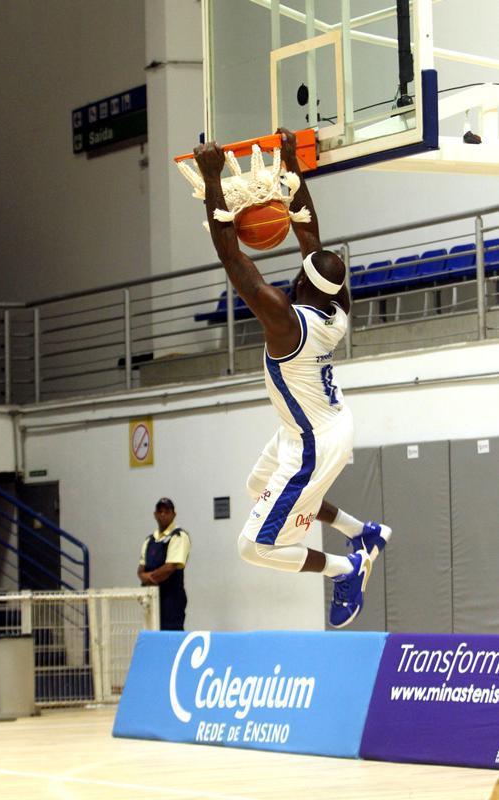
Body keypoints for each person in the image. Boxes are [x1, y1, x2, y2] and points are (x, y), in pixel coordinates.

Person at [193, 129, 391, 628]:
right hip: (319, 423)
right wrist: (289, 164)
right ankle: (360, 530)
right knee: (258, 483)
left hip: (313, 442)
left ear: (303, 280)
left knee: (254, 546)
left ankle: (348, 567)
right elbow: (309, 232)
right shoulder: (338, 309)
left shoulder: (284, 319)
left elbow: (232, 258)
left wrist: (214, 178)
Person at [137, 497, 190, 630]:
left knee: (171, 640)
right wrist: (149, 577)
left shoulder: (178, 536)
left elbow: (170, 567)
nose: (163, 514)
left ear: (174, 514)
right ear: (155, 514)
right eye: (160, 511)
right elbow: (140, 570)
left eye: (167, 511)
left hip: (171, 601)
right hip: (151, 601)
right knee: (152, 637)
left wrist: (148, 578)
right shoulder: (149, 540)